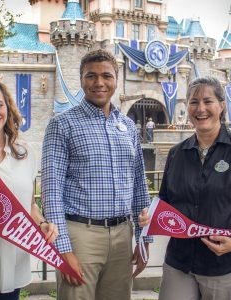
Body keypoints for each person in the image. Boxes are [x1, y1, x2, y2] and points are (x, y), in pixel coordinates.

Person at [139, 76, 231, 300]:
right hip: (179, 261)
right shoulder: (177, 153)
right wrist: (151, 216)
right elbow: (165, 202)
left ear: (222, 105)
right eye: (193, 102)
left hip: (225, 264)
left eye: (207, 101)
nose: (200, 108)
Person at [41, 49, 152, 300]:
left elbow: (138, 187)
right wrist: (64, 249)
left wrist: (145, 240)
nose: (99, 82)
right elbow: (51, 190)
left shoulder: (128, 127)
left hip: (124, 235)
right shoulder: (62, 124)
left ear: (116, 79)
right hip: (81, 236)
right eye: (91, 76)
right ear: (81, 79)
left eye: (106, 75)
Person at [0, 82, 58, 300]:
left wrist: (42, 223)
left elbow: (29, 204)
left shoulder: (24, 153)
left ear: (8, 109)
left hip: (13, 260)